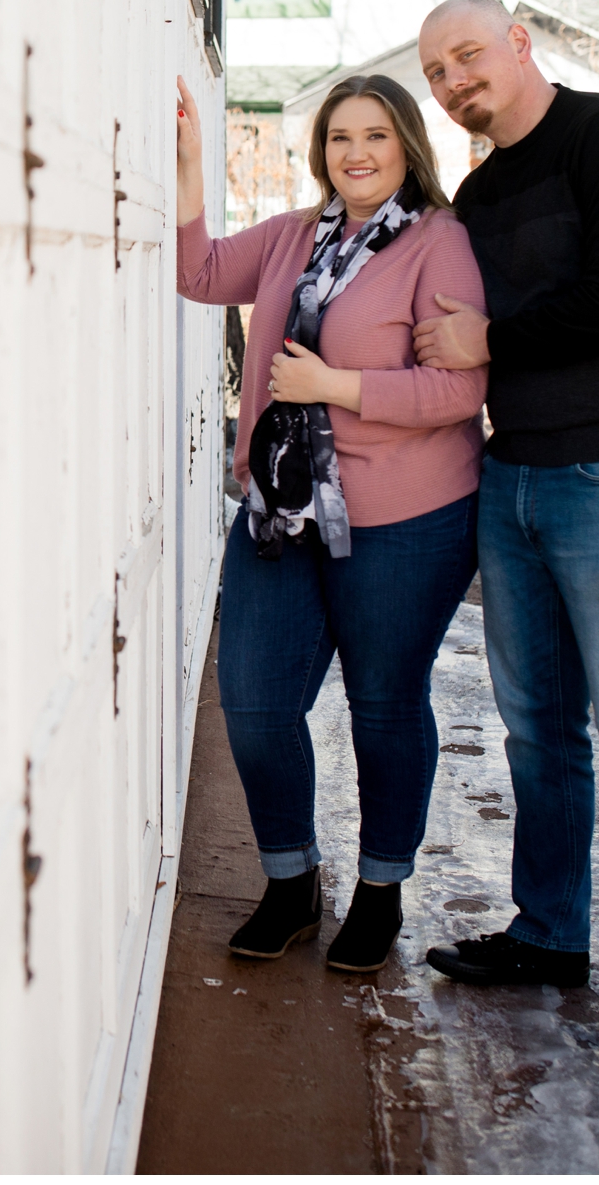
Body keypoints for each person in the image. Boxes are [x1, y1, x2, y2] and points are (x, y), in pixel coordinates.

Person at [408, 0, 599, 1062]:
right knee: (538, 733)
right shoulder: (481, 192)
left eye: (467, 55)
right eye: (436, 71)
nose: (453, 81)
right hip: (516, 475)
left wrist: (489, 335)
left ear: (520, 44)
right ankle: (549, 935)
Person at [174, 71, 487, 973]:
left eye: (376, 137)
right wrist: (193, 168)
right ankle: (289, 880)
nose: (356, 153)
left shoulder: (439, 243)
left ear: (407, 149)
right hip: (282, 509)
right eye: (340, 137)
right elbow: (198, 273)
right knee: (258, 701)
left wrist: (334, 388)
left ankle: (381, 890)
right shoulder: (291, 238)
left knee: (384, 705)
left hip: (405, 515)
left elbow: (460, 389)